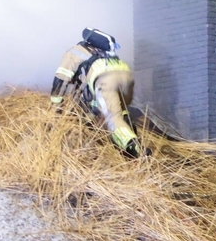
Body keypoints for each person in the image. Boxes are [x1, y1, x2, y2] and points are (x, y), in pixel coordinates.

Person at [50, 28, 148, 159]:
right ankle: (127, 137)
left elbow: (60, 81)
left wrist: (55, 108)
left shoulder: (73, 53)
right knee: (121, 112)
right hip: (125, 74)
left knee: (113, 118)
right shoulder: (101, 52)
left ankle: (137, 151)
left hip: (106, 79)